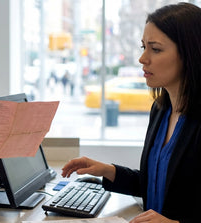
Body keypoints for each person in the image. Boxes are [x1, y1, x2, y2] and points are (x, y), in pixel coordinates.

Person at [61, 3, 201, 223]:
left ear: (189, 53)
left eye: (155, 49)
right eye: (143, 47)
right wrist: (108, 170)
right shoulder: (160, 110)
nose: (142, 58)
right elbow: (156, 185)